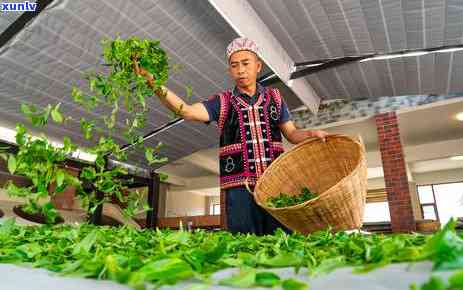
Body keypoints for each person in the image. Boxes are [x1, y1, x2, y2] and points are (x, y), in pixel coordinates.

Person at [134, 37, 329, 235]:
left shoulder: (275, 97)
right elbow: (187, 111)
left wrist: (311, 133)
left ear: (258, 66)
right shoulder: (223, 101)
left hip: (276, 184)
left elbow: (292, 133)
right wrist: (152, 81)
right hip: (239, 189)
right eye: (234, 65)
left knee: (282, 239)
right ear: (230, 70)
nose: (241, 70)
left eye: (246, 63)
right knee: (245, 243)